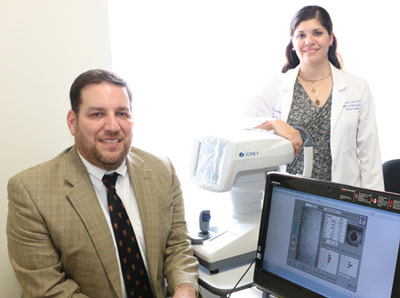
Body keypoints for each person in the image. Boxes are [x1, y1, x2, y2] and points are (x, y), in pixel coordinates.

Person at [7, 69, 201, 298]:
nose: (112, 126)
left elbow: (177, 246)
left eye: (122, 113)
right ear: (72, 122)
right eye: (97, 114)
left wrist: (185, 288)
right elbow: (48, 288)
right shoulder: (30, 192)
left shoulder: (162, 170)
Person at [243, 5, 384, 190]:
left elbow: (369, 156)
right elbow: (241, 124)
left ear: (330, 38)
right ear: (293, 42)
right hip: (289, 193)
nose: (309, 41)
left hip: (341, 198)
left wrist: (374, 208)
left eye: (317, 33)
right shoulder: (276, 85)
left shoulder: (357, 87)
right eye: (301, 35)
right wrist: (273, 123)